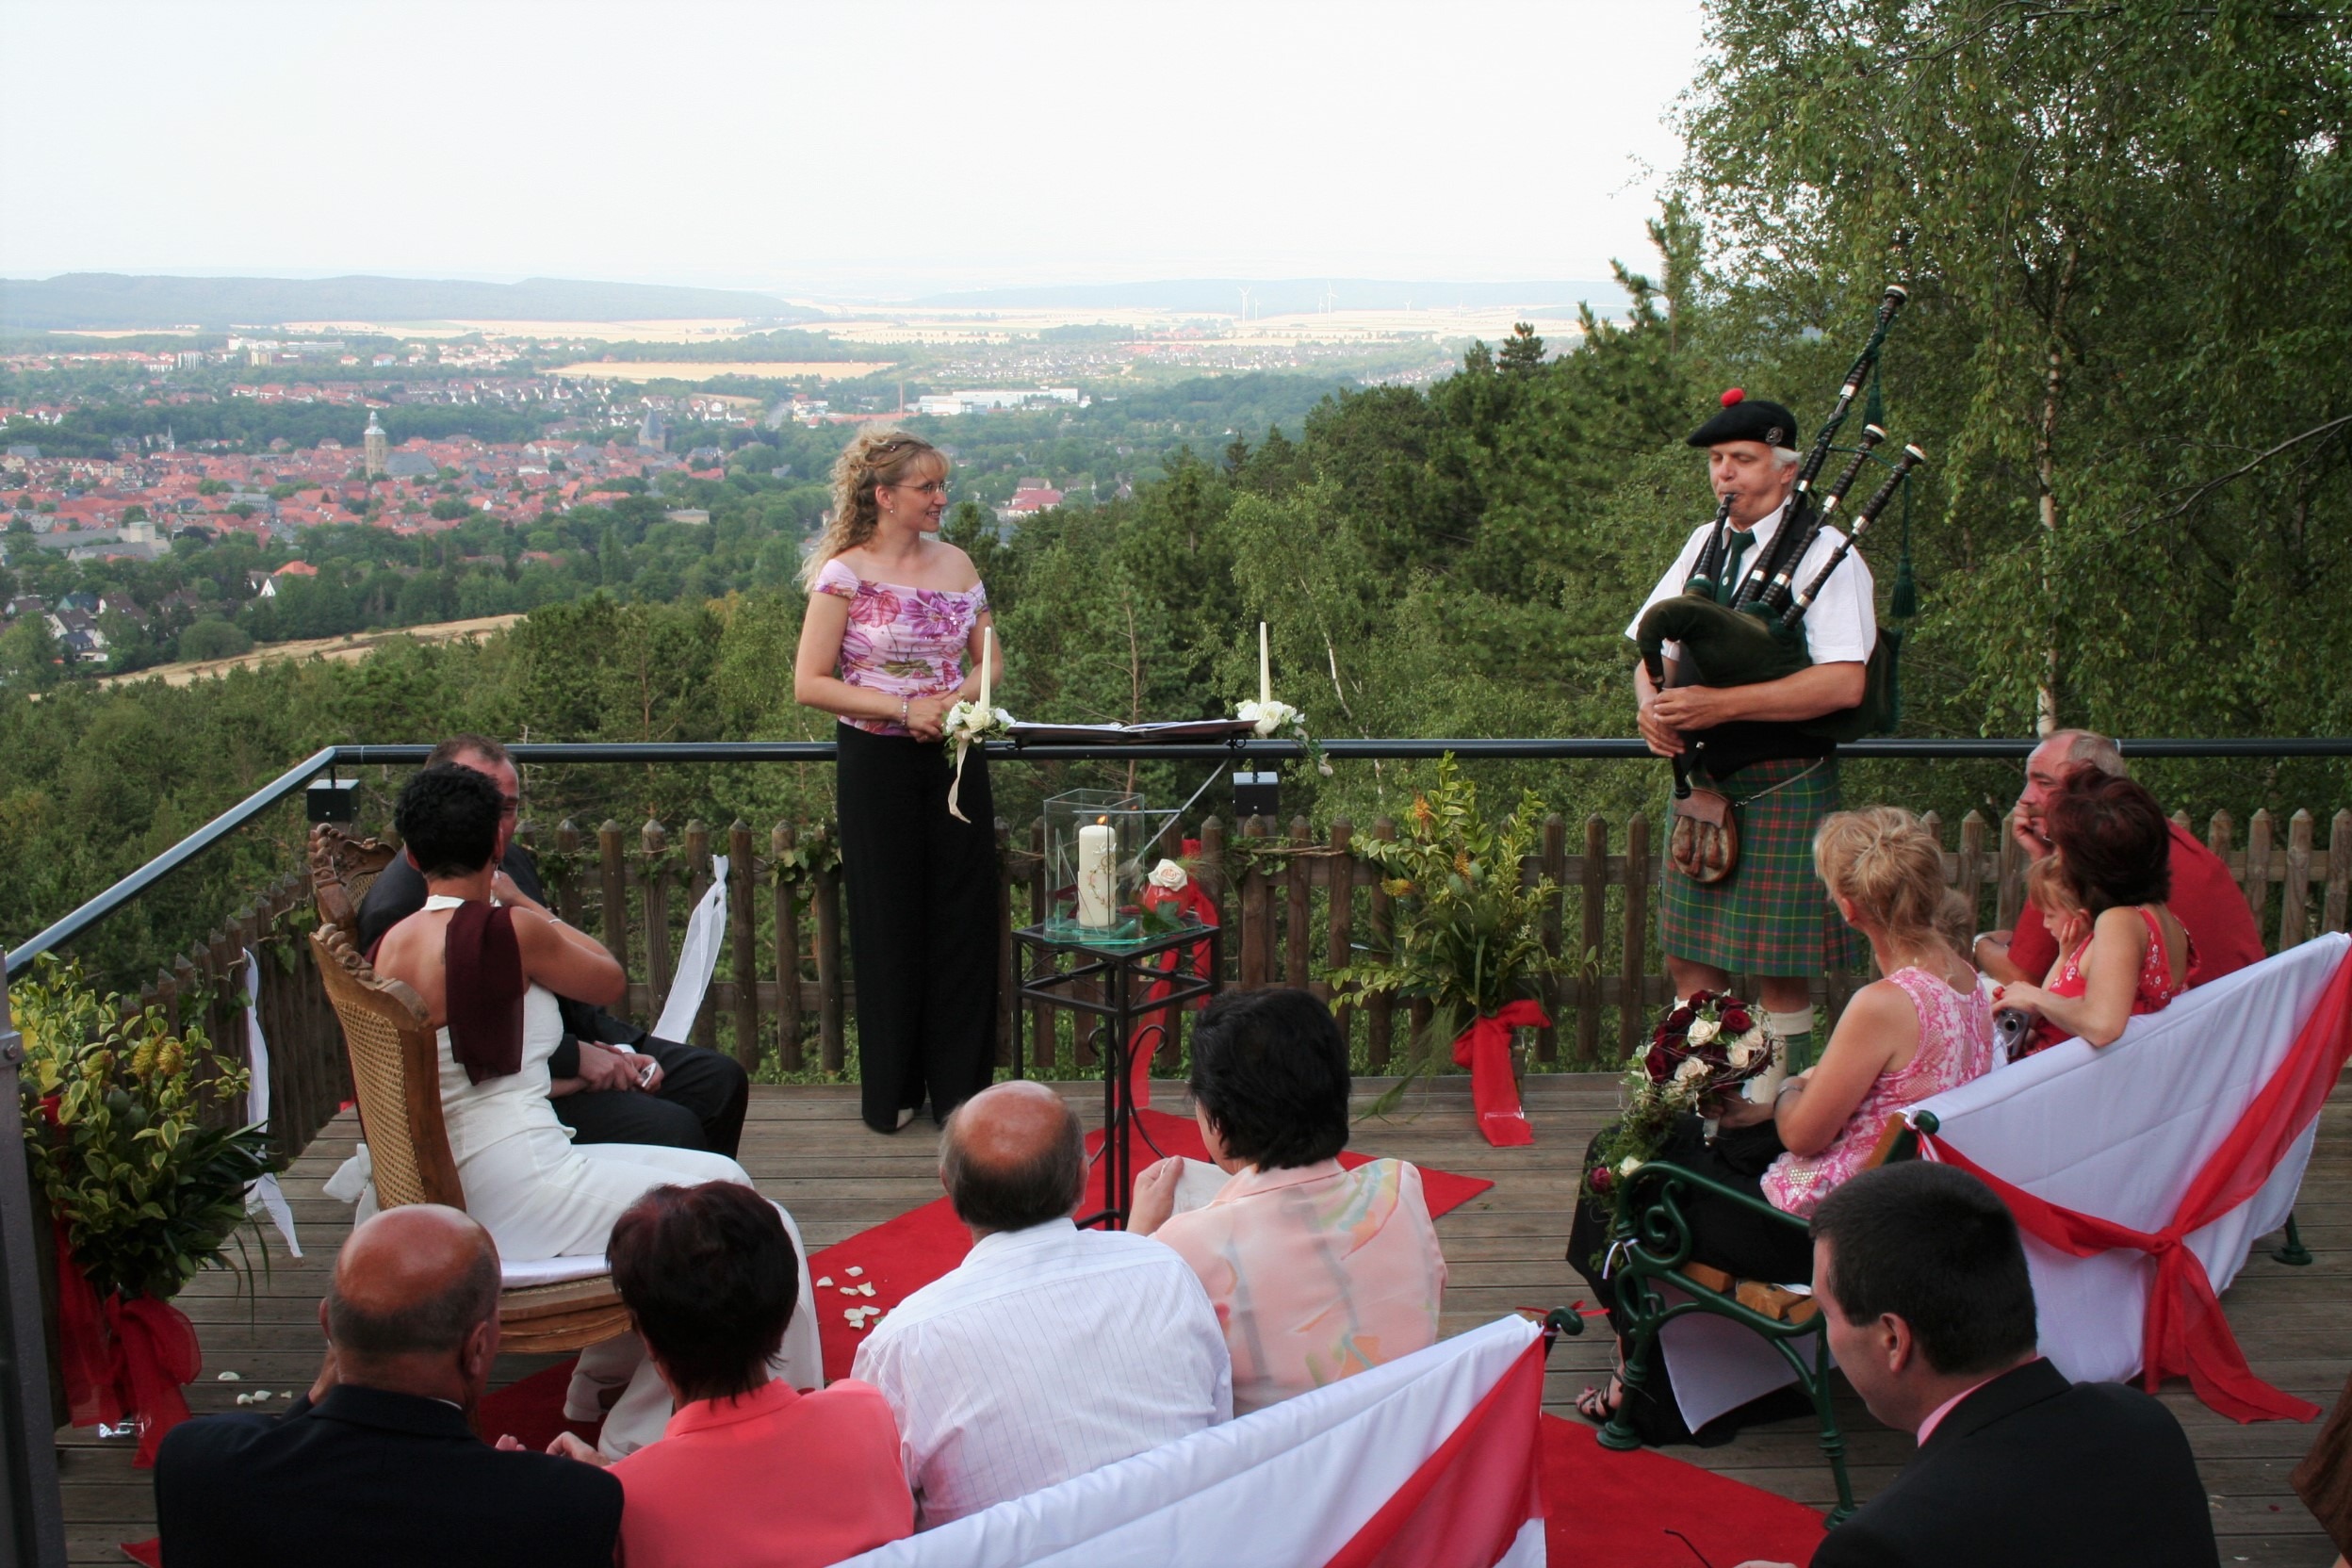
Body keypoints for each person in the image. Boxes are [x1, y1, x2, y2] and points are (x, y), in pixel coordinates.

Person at [371, 765, 819, 1455]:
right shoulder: (509, 932)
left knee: (715, 1172)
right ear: (497, 844)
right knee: (758, 1219)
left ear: (410, 855)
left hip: (473, 1172)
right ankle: (686, 1429)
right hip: (517, 1185)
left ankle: (606, 1381)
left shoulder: (391, 945)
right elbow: (607, 975)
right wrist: (527, 908)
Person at [1568, 808, 1993, 1437]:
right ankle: (1716, 1369)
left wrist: (1792, 1088)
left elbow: (1803, 1134)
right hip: (1902, 1200)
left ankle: (1649, 1389)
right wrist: (1763, 1111)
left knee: (1622, 1170)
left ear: (1848, 908)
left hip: (1826, 1231)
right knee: (1684, 1136)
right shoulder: (1965, 979)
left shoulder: (1885, 1004)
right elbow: (1870, 1105)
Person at [1732, 1161, 2220, 1568]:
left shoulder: (1887, 1543)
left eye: (1828, 1311)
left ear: (1893, 1339)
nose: (1827, 1331)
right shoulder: (2143, 1424)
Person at [153, 1205, 623, 1568]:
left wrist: (319, 1393)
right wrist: (521, 1484)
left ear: (327, 1328)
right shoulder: (568, 1505)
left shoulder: (197, 1463)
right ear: (477, 1348)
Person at [851, 1080, 1231, 1528]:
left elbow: (884, 1522)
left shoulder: (901, 1345)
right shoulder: (1166, 1271)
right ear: (1082, 1176)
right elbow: (1218, 1426)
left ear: (948, 1187)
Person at [1630, 392, 1875, 1075]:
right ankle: (1700, 1097)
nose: (1724, 475)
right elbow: (1646, 649)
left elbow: (1843, 683)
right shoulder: (1704, 544)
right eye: (1716, 461)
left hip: (1782, 783)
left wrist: (1720, 707)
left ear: (1788, 470)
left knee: (1780, 972)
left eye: (1742, 459)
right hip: (1702, 787)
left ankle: (1777, 1111)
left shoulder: (1828, 555)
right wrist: (1651, 706)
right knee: (1689, 959)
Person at [357, 734, 749, 1158]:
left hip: (566, 1039)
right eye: (486, 806)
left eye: (508, 808)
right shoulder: (398, 911)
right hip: (509, 1095)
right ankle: (671, 1210)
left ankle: (702, 1210)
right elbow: (453, 1055)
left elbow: (573, 990)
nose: (499, 823)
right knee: (675, 1129)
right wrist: (576, 1062)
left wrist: (612, 1050)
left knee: (720, 1080)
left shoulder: (513, 864)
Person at [792, 430, 1003, 1134]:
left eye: (942, 485)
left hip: (957, 756)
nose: (942, 498)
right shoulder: (843, 575)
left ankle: (961, 1095)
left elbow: (991, 660)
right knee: (888, 923)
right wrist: (903, 709)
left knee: (963, 920)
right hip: (877, 765)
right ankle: (894, 1092)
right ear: (885, 497)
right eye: (927, 488)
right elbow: (810, 683)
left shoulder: (959, 564)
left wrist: (953, 708)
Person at [546, 1182, 912, 1568]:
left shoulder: (625, 1506)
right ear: (789, 1308)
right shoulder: (866, 1412)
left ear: (646, 1339)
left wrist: (611, 1487)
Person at [1128, 988, 1446, 1414]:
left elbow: (1128, 1355)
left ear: (1219, 1122)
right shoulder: (1398, 1188)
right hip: (1408, 1444)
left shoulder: (1187, 1247)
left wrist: (1140, 1237)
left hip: (1281, 1467)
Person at [1974, 728, 2263, 989]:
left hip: (2179, 1034)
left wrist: (1978, 945)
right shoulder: (2151, 838)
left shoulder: (2094, 853)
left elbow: (2023, 976)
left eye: (2044, 783)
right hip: (2231, 1020)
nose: (2024, 798)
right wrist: (2042, 857)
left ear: (2089, 785)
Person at [1997, 770, 2193, 1054]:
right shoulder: (2163, 917)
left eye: (2062, 849)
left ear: (2090, 865)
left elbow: (2103, 1026)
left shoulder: (2120, 921)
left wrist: (2035, 998)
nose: (2058, 858)